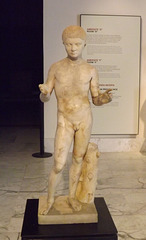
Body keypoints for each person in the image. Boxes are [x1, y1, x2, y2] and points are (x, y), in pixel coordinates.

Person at [39, 25, 112, 215]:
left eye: (77, 44)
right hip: (64, 120)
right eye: (69, 44)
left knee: (78, 159)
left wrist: (103, 99)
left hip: (84, 119)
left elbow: (95, 99)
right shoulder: (56, 68)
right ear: (63, 44)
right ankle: (50, 200)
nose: (73, 48)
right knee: (58, 163)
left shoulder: (90, 70)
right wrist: (45, 94)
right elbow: (46, 94)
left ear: (84, 44)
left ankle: (71, 196)